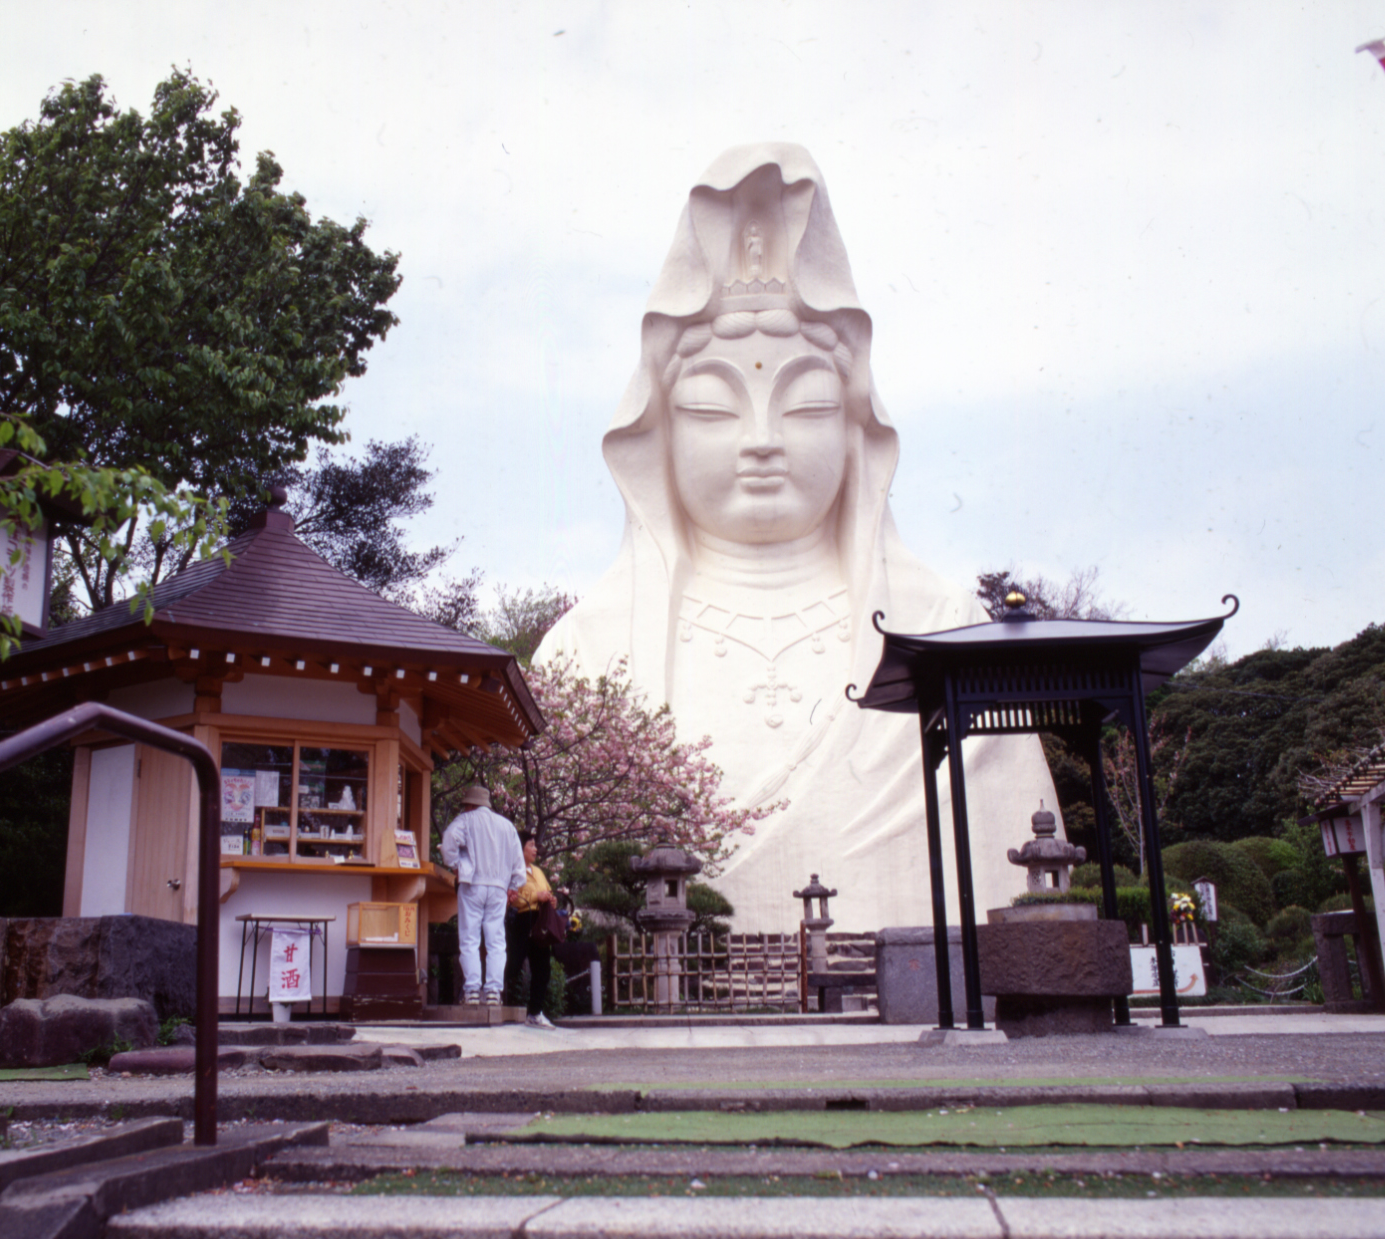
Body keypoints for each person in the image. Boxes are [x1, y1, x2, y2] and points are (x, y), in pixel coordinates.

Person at [536, 144, 1061, 932]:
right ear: (660, 434)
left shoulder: (943, 628)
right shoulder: (585, 651)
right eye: (713, 409)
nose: (760, 440)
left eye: (806, 404)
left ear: (854, 428)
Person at [440, 784, 526, 1005]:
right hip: (499, 887)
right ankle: (493, 991)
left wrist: (456, 865)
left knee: (470, 937)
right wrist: (513, 885)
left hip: (472, 883)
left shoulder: (465, 820)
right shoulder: (506, 826)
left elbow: (449, 840)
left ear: (470, 804)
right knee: (496, 940)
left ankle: (471, 990)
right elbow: (518, 863)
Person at [505, 831, 561, 1029]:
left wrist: (551, 899)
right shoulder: (513, 870)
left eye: (534, 845)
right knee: (514, 963)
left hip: (539, 921)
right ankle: (491, 996)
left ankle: (535, 1013)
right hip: (522, 920)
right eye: (531, 845)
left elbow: (548, 890)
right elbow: (514, 897)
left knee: (542, 968)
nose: (535, 849)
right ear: (520, 849)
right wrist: (538, 896)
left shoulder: (537, 871)